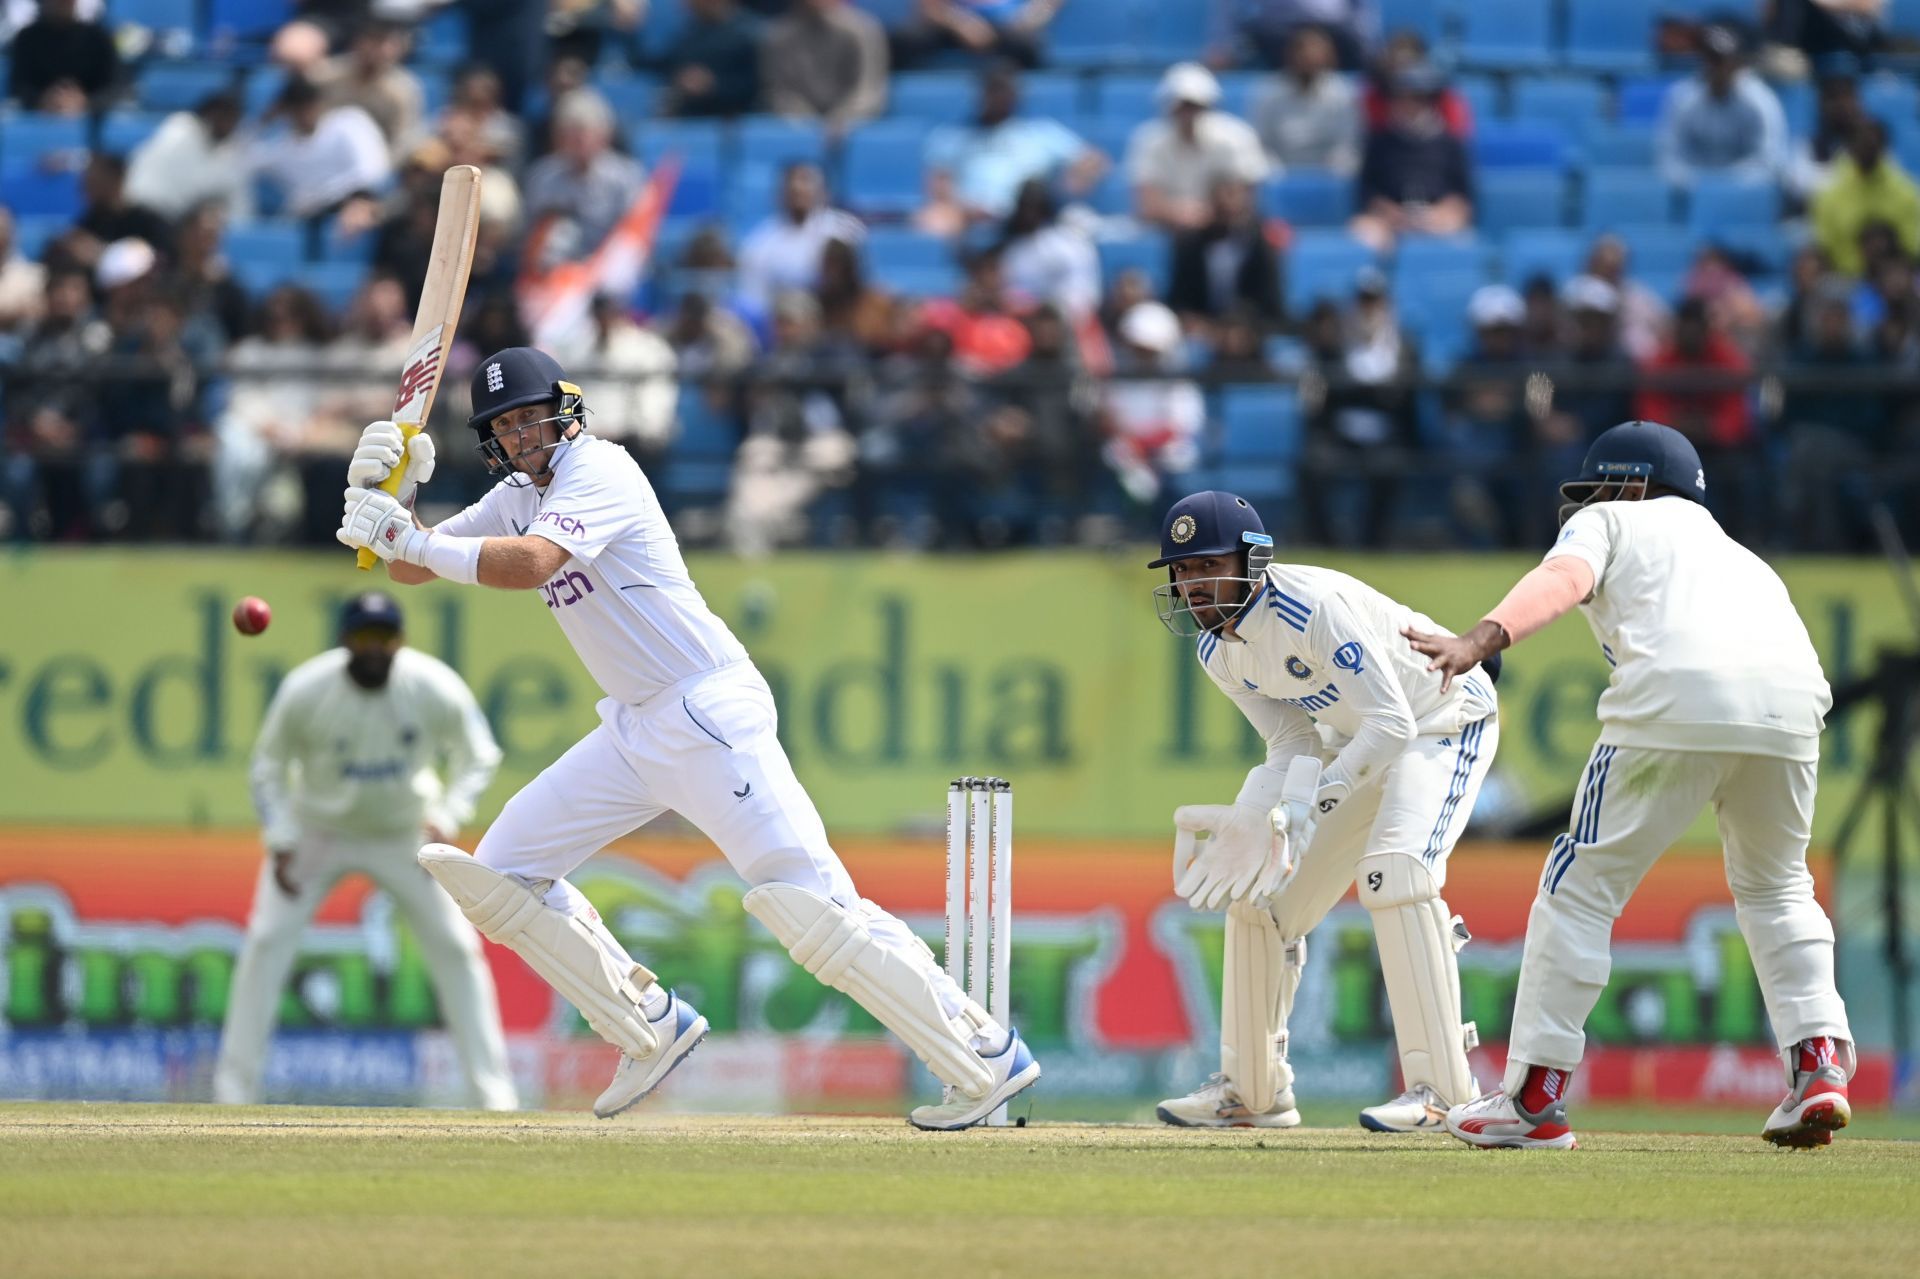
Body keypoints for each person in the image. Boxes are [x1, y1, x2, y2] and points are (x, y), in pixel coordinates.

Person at [334, 348, 1042, 1129]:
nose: (522, 433)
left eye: (532, 415)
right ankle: (650, 1025)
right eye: (505, 425)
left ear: (564, 410)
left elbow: (531, 564)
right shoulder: (512, 497)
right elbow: (410, 570)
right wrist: (390, 499)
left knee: (813, 911)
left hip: (707, 712)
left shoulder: (602, 471)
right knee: (505, 873)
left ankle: (985, 1055)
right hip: (634, 726)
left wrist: (409, 538)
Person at [1406, 420, 1853, 1150]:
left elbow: (1562, 578)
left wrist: (1480, 639)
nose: (1590, 503)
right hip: (1794, 709)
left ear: (1631, 483)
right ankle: (1821, 1066)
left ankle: (1534, 1099)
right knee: (1779, 889)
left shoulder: (1611, 518)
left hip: (1677, 700)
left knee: (1579, 887)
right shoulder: (1745, 556)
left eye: (1600, 488)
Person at [1150, 488, 1499, 1132]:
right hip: (1355, 739)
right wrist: (1259, 811)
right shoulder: (1216, 649)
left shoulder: (1311, 607)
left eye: (1207, 566)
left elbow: (1393, 722)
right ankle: (1252, 1092)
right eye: (1181, 569)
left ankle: (1443, 1091)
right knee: (1259, 898)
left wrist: (1317, 799)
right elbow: (1292, 740)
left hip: (1444, 720)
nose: (1192, 584)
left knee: (1396, 873)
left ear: (1252, 561)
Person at [214, 592, 514, 1110]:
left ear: (399, 641)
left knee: (458, 949)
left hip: (404, 836)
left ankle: (495, 1097)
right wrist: (283, 840)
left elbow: (479, 754)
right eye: (362, 637)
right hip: (319, 832)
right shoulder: (306, 690)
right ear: (344, 640)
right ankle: (232, 1094)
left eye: (383, 637)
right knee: (266, 942)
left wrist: (445, 818)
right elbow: (267, 767)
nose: (372, 648)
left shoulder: (430, 685)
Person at [919, 65, 1106, 236]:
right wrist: (965, 208)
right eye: (993, 90)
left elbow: (1094, 159)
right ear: (981, 93)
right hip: (968, 216)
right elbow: (938, 185)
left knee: (1078, 223)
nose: (999, 97)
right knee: (933, 220)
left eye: (1004, 90)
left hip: (1030, 217)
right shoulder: (951, 136)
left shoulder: (1040, 133)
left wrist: (1066, 186)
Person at [1127, 62, 1270, 232]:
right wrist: (1179, 214)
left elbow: (1244, 197)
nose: (1189, 113)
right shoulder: (1148, 139)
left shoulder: (1237, 137)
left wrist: (1207, 214)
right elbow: (1146, 203)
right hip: (1168, 230)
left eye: (1195, 105)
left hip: (1226, 229)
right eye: (1182, 105)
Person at [1349, 63, 1473, 252]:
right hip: (1389, 218)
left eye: (1416, 99)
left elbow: (1462, 194)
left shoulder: (1449, 143)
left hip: (1437, 216)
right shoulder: (1379, 142)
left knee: (1462, 238)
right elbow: (1367, 190)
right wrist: (1389, 212)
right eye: (1401, 98)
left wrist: (1439, 213)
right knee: (1362, 231)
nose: (1407, 105)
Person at [1655, 22, 1789, 189]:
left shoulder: (1760, 102)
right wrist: (1697, 182)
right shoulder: (1682, 98)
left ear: (1737, 62)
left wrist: (1726, 184)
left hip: (1743, 195)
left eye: (1720, 60)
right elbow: (1669, 156)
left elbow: (1770, 160)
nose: (1714, 67)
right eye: (1709, 58)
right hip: (1694, 192)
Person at [250, 75, 393, 223]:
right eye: (297, 107)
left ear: (320, 103)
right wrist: (264, 120)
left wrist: (318, 198)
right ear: (287, 111)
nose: (305, 112)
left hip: (355, 206)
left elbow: (373, 173)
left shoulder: (350, 123)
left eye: (309, 104)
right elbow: (241, 159)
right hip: (307, 221)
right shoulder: (280, 151)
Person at [522, 89, 645, 258]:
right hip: (558, 270)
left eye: (584, 133)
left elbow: (634, 231)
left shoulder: (627, 176)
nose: (578, 141)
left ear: (604, 135)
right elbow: (531, 232)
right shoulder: (542, 175)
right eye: (569, 134)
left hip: (609, 265)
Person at [735, 161, 865, 311]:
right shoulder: (759, 244)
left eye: (806, 182)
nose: (798, 189)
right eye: (792, 187)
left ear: (824, 191)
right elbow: (754, 302)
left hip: (836, 318)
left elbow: (860, 288)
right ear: (779, 194)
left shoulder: (845, 231)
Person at [1166, 176, 1283, 331]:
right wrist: (1193, 320)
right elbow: (1179, 299)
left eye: (1234, 200)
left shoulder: (1262, 246)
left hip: (1250, 327)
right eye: (1222, 210)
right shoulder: (1190, 246)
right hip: (1203, 327)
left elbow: (1271, 304)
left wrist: (1240, 326)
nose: (1228, 207)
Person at [1251, 23, 1362, 176]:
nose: (1308, 60)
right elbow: (1260, 142)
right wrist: (1278, 173)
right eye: (1302, 54)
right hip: (1280, 174)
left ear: (1327, 57)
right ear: (1291, 56)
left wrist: (1329, 174)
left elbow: (1347, 143)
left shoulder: (1343, 93)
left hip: (1329, 175)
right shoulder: (1269, 93)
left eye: (1314, 56)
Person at [1813, 118, 1920, 277]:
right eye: (1861, 144)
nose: (1867, 150)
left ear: (1883, 148)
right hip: (1848, 278)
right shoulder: (1829, 196)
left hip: (1896, 278)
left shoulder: (1906, 192)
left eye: (1872, 145)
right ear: (1850, 148)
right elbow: (1825, 249)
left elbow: (1913, 247)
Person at [125, 91, 251, 223]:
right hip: (145, 210)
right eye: (227, 119)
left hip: (164, 217)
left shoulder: (221, 150)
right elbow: (198, 186)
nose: (230, 127)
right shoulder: (181, 130)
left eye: (234, 122)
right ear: (212, 115)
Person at [761, 0, 890, 129]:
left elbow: (868, 91)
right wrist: (809, 124)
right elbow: (780, 92)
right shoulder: (779, 35)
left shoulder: (864, 29)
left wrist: (841, 120)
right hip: (797, 127)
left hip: (854, 126)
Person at [7, 0, 120, 114]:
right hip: (37, 122)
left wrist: (85, 102)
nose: (62, 3)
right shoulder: (27, 39)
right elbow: (19, 86)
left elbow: (114, 87)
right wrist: (43, 100)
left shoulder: (98, 38)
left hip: (90, 123)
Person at [659, 0, 763, 118]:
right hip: (692, 119)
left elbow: (757, 86)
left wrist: (713, 86)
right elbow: (665, 68)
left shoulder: (751, 33)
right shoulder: (686, 35)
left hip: (741, 119)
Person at [892, 0, 1062, 70]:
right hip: (951, 22)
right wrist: (960, 23)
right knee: (905, 39)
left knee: (1028, 45)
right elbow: (928, 6)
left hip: (1009, 25)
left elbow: (1047, 4)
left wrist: (1029, 18)